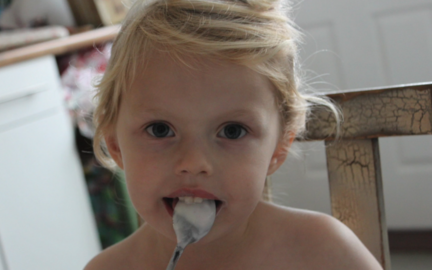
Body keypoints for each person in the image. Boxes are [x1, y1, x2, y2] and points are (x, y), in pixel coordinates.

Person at [85, 0, 383, 269]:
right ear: (116, 145)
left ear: (278, 150)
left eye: (232, 131)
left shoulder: (324, 252)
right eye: (160, 129)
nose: (194, 162)